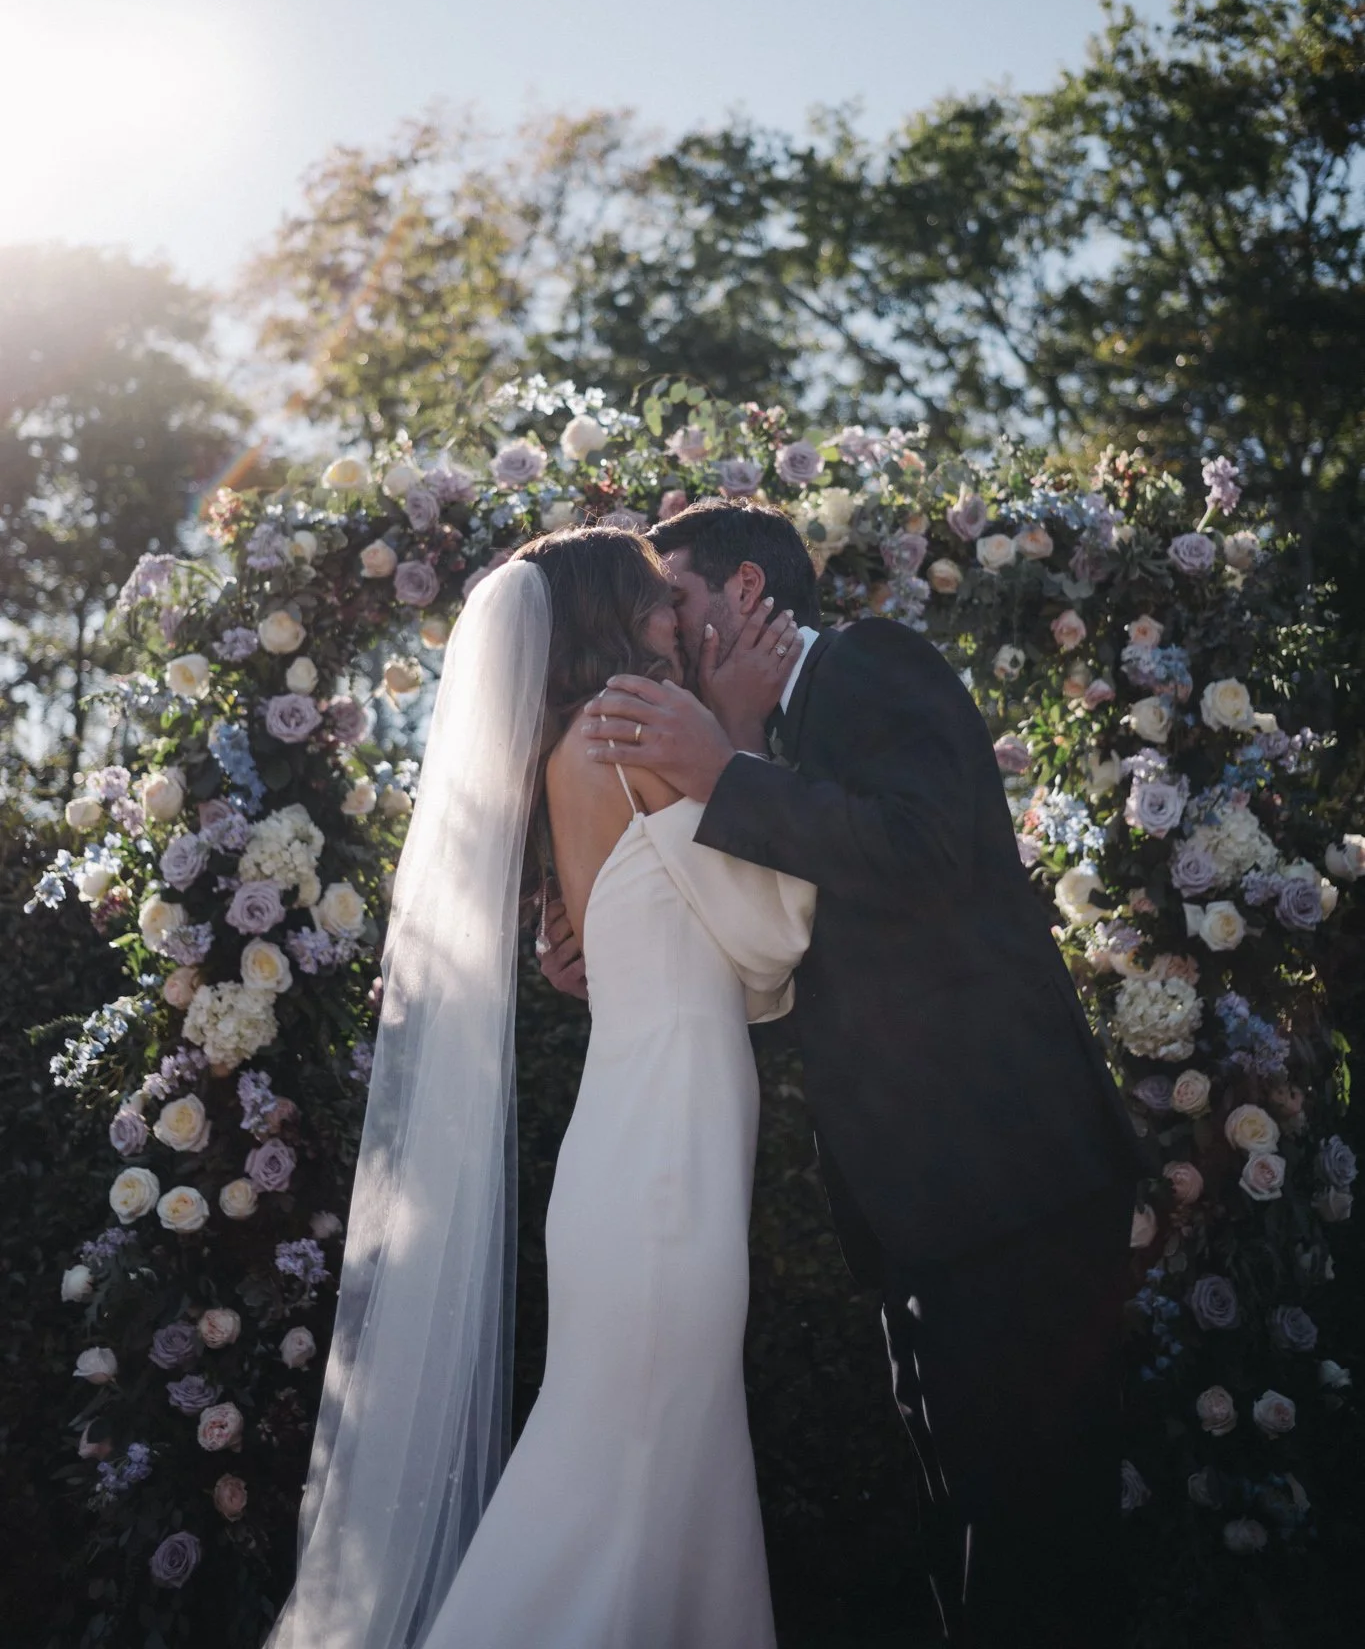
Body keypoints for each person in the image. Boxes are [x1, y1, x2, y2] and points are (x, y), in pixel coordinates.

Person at [571, 499, 1146, 1649]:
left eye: (676, 600)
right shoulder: (761, 744)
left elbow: (925, 850)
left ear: (743, 589)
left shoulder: (873, 663)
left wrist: (724, 770)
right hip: (917, 1207)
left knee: (1038, 1539)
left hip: (1011, 1180)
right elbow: (785, 963)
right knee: (968, 1528)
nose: (668, 637)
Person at [268, 526, 812, 1649]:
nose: (680, 619)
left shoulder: (574, 745)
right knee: (637, 1455)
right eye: (659, 603)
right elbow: (774, 935)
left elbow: (679, 947)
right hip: (665, 1152)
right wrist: (746, 734)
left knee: (647, 1444)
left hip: (642, 1136)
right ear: (613, 615)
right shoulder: (641, 723)